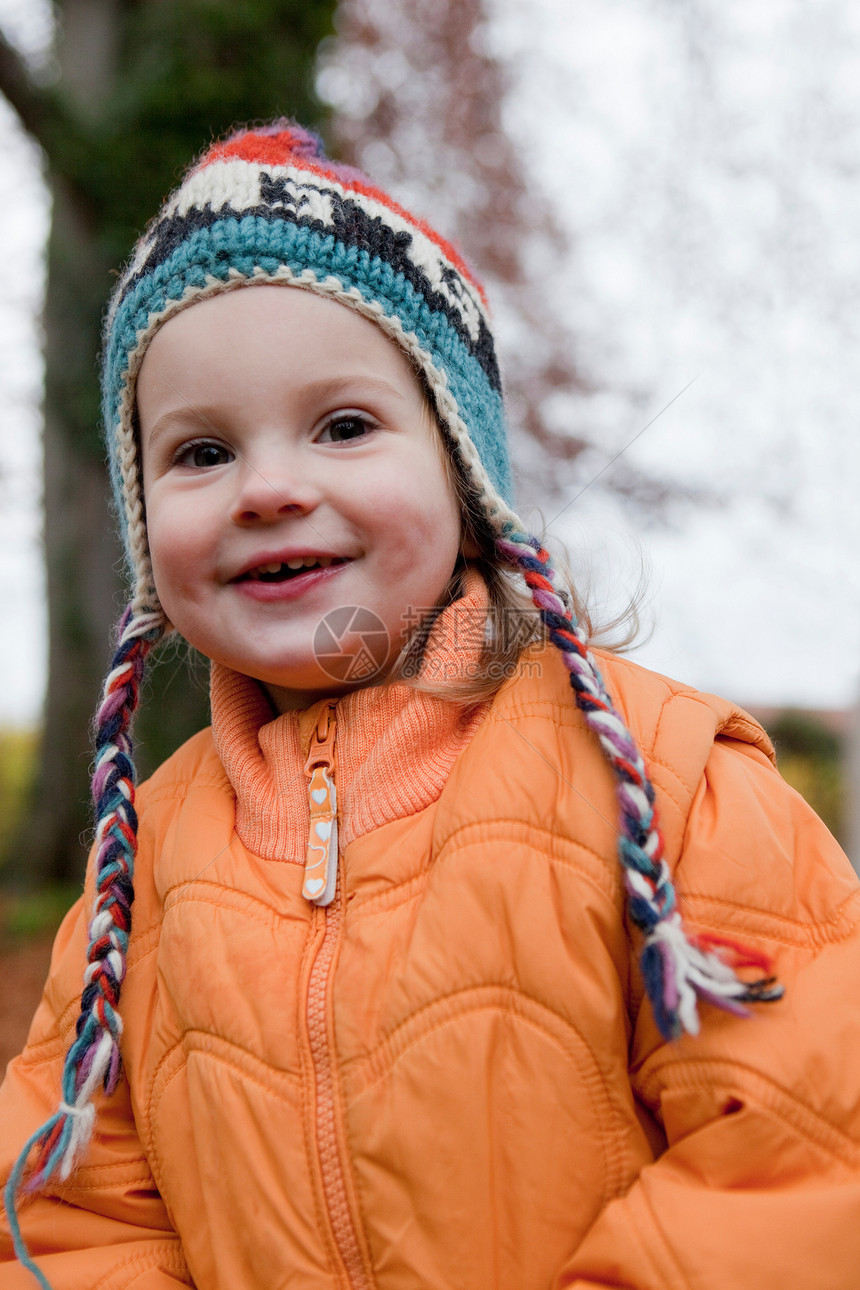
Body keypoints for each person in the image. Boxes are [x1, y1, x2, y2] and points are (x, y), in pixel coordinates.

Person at [1, 121, 859, 1290]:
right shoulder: (134, 872)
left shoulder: (664, 782)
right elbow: (70, 1219)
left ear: (460, 468)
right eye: (200, 452)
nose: (269, 488)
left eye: (343, 427)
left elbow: (802, 1155)